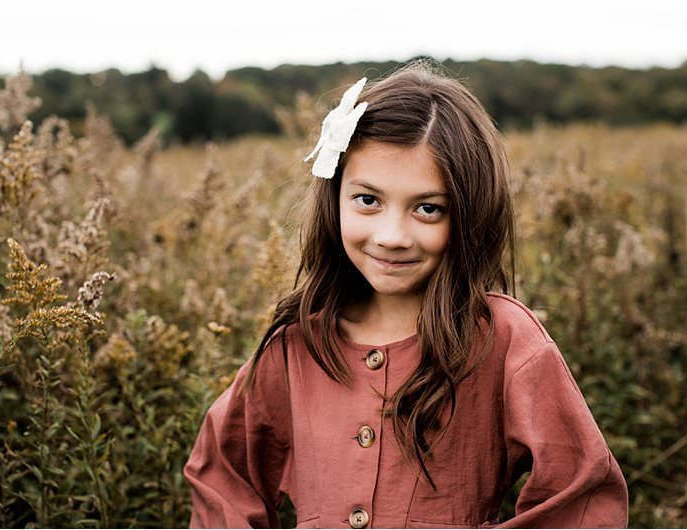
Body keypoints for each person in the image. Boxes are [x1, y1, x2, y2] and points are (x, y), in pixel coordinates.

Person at [184, 62, 628, 528]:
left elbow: (583, 499)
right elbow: (222, 477)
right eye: (368, 200)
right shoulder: (298, 345)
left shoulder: (504, 341)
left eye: (428, 208)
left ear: (469, 216)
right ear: (334, 197)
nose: (392, 236)